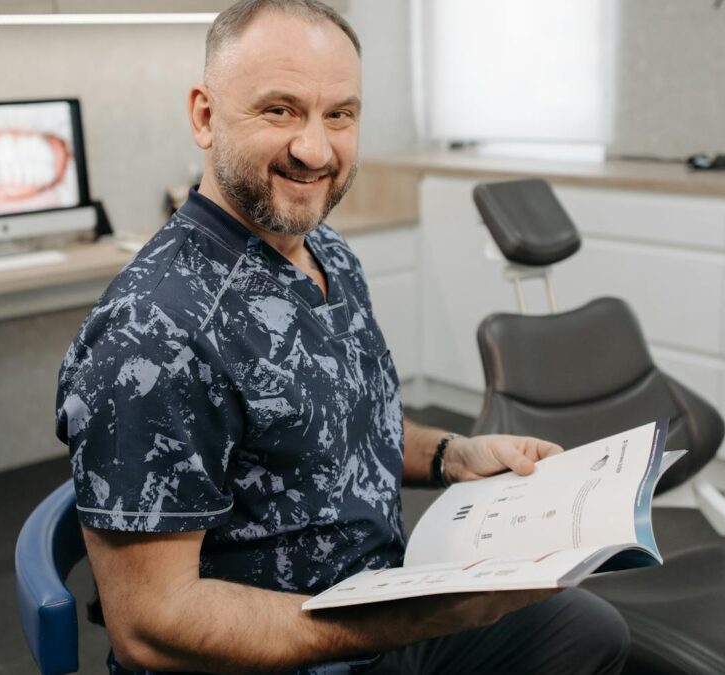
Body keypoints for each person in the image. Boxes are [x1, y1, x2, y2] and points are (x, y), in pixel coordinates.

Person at [54, 1, 630, 673]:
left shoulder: (323, 248)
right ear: (205, 116)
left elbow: (337, 424)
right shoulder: (155, 332)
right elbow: (151, 626)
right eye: (279, 110)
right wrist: (404, 619)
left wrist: (454, 454)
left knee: (590, 633)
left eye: (339, 115)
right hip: (283, 652)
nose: (315, 149)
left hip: (384, 601)